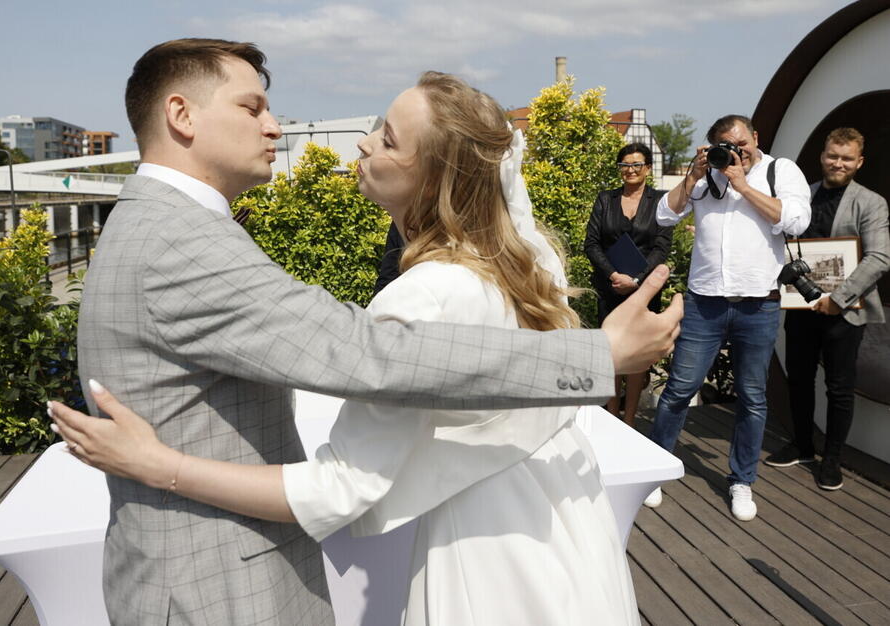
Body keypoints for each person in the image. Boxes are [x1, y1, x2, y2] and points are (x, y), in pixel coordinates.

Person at [78, 39, 681, 625]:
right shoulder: (529, 259)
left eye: (387, 137)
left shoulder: (422, 287)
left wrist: (163, 467)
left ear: (433, 175)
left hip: (482, 555)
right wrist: (596, 353)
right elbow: (365, 352)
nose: (275, 126)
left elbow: (362, 396)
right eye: (252, 106)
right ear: (180, 114)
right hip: (562, 529)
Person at [645, 115, 810, 521]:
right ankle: (653, 470)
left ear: (756, 137)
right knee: (679, 389)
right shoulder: (707, 176)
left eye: (741, 142)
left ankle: (742, 481)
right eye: (725, 144)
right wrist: (692, 177)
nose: (736, 151)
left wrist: (742, 185)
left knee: (752, 398)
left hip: (759, 303)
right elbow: (665, 216)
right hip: (705, 303)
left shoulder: (779, 170)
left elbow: (796, 220)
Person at [764, 128, 889, 490]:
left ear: (859, 162)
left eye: (846, 158)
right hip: (801, 305)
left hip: (845, 311)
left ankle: (832, 459)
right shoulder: (805, 196)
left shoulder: (871, 202)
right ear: (822, 156)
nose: (838, 163)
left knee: (839, 387)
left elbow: (880, 258)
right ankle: (803, 446)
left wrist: (838, 299)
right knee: (799, 380)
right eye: (833, 155)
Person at [584, 143, 675, 426]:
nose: (631, 170)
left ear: (648, 168)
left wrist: (637, 280)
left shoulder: (661, 201)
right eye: (625, 165)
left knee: (637, 355)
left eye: (637, 165)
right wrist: (614, 275)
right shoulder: (605, 200)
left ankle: (631, 420)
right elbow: (592, 243)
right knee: (610, 353)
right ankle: (612, 417)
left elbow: (661, 247)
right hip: (609, 288)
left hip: (644, 291)